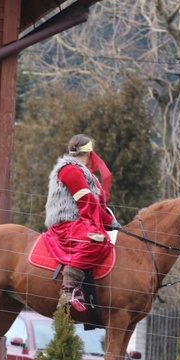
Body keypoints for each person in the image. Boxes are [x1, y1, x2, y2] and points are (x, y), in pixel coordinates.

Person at [43, 134, 121, 312]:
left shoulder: (82, 172)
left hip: (79, 221)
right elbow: (87, 202)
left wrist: (110, 221)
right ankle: (67, 291)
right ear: (89, 153)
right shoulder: (70, 170)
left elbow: (92, 204)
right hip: (67, 223)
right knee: (95, 241)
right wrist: (109, 221)